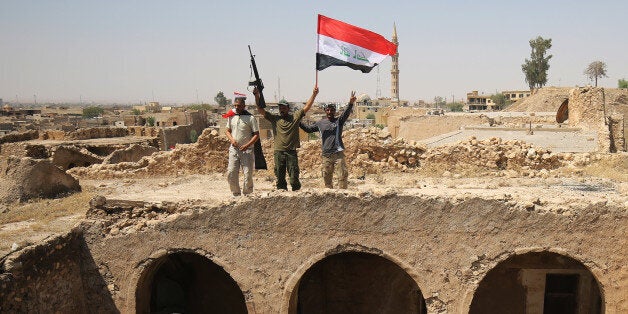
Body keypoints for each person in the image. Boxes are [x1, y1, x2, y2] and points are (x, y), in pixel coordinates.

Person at [254, 86, 318, 191]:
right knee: (280, 178)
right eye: (280, 108)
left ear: (288, 108)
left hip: (291, 152)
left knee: (294, 178)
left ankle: (297, 195)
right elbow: (260, 110)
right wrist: (257, 96)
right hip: (279, 152)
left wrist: (314, 95)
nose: (281, 110)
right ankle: (282, 196)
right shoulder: (275, 119)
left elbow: (307, 106)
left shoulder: (295, 117)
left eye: (284, 108)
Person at [300, 91, 356, 189]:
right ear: (326, 111)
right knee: (326, 177)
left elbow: (346, 113)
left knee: (342, 176)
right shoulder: (320, 123)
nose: (330, 112)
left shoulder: (339, 121)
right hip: (326, 154)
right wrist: (298, 121)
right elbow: (308, 129)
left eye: (332, 110)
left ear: (335, 111)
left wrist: (350, 103)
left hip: (338, 153)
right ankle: (329, 195)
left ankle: (343, 196)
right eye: (328, 110)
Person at [225, 92, 259, 196]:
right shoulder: (231, 116)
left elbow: (256, 135)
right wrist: (232, 140)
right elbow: (227, 130)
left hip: (247, 150)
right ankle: (236, 194)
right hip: (234, 150)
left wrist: (247, 145)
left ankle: (247, 195)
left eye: (238, 106)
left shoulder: (250, 118)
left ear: (244, 106)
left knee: (247, 175)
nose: (236, 107)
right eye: (235, 105)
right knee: (231, 173)